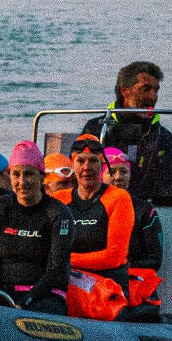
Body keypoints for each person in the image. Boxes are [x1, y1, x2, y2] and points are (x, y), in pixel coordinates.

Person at [0, 141, 72, 313]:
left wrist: (26, 301)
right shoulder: (1, 206)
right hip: (5, 291)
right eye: (16, 174)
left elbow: (56, 268)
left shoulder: (58, 212)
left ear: (42, 176)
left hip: (45, 294)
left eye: (29, 174)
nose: (22, 181)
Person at [83, 60, 172, 204]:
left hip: (148, 212)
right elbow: (80, 179)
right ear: (124, 91)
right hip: (102, 209)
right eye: (145, 89)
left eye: (156, 90)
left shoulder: (162, 136)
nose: (153, 97)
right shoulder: (96, 129)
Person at [63, 133, 135, 319]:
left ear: (102, 164)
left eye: (93, 161)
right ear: (73, 164)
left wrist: (66, 260)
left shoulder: (118, 198)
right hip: (68, 285)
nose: (86, 167)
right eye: (81, 161)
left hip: (107, 288)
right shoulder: (59, 199)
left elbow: (114, 257)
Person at [106, 145, 163, 312]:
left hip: (130, 280)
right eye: (112, 171)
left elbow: (155, 259)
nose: (118, 177)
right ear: (101, 174)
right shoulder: (89, 208)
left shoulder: (144, 209)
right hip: (97, 281)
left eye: (123, 171)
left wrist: (120, 268)